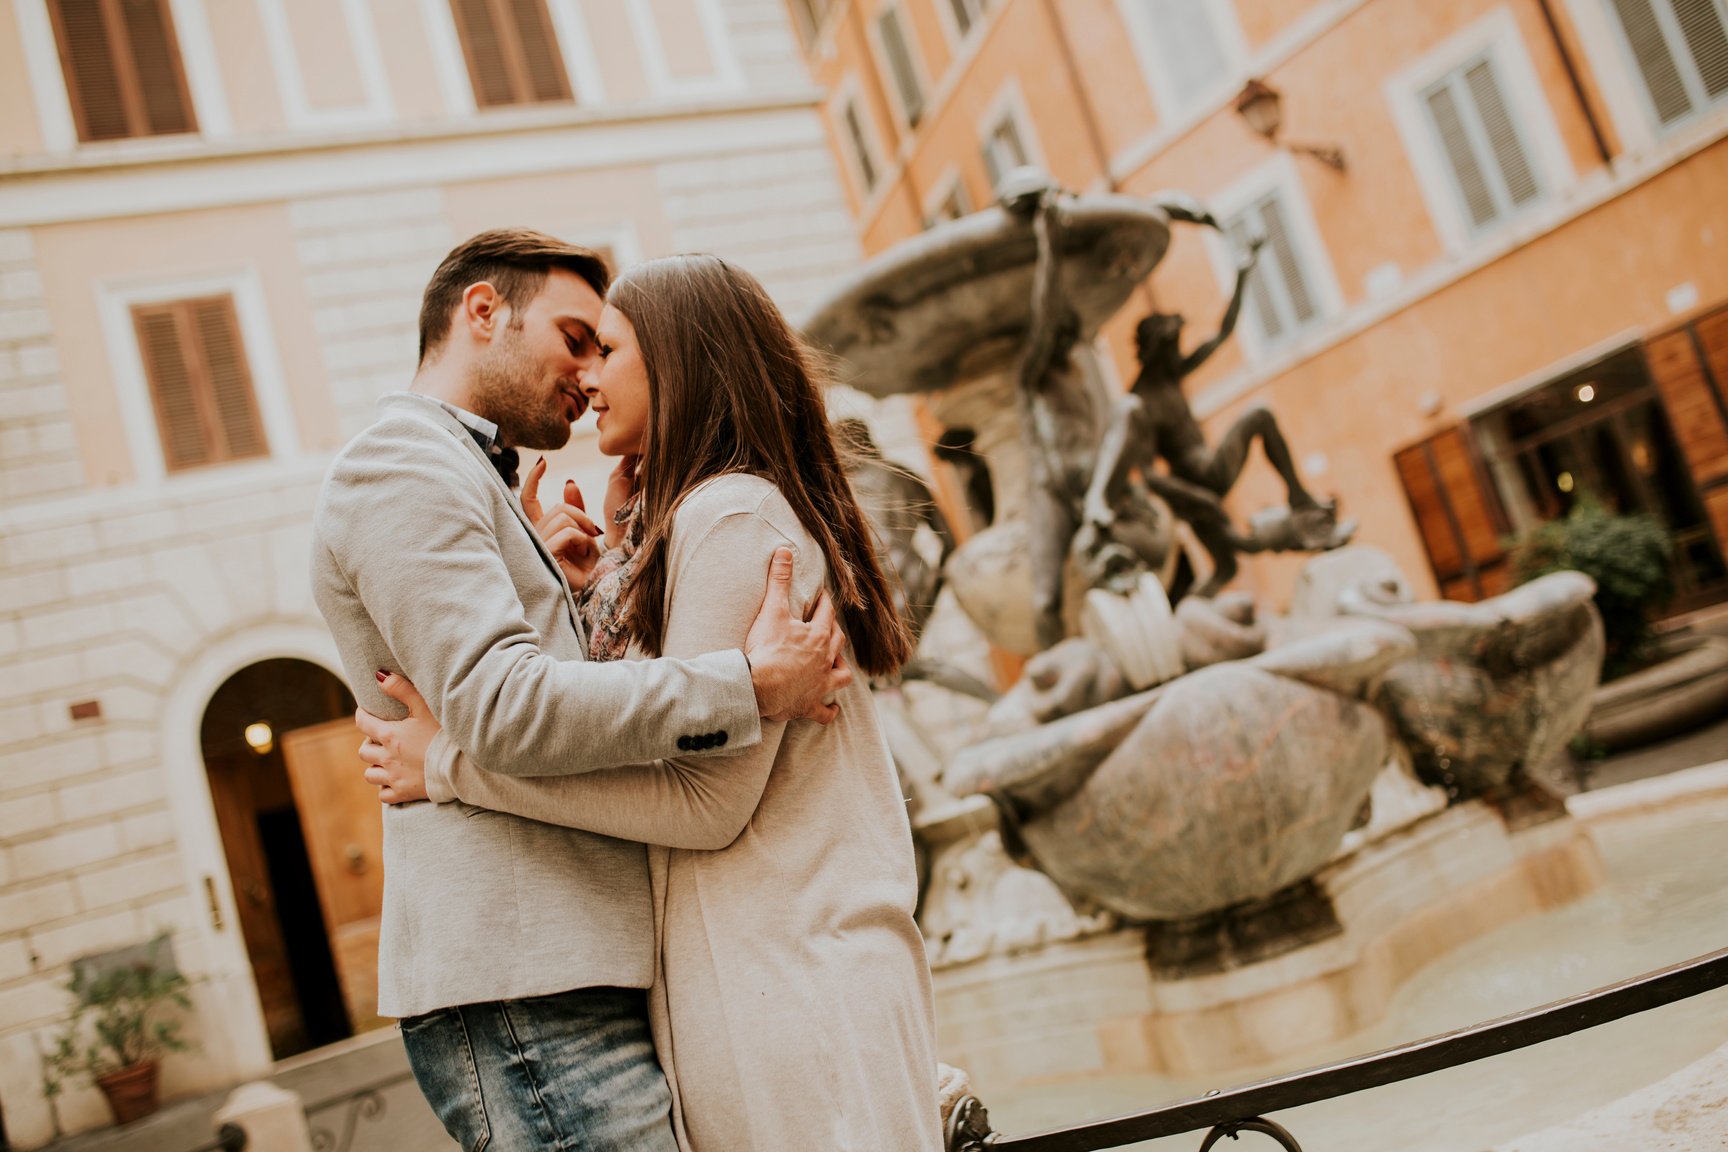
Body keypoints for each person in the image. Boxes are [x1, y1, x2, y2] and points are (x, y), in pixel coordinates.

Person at [354, 254, 945, 1151]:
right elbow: (658, 729)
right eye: (579, 343)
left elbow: (704, 800)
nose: (587, 376)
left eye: (609, 348)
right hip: (761, 973)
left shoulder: (734, 517)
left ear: (680, 360)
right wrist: (615, 574)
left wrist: (449, 766)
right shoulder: (709, 517)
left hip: (788, 979)